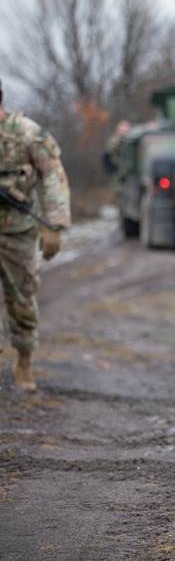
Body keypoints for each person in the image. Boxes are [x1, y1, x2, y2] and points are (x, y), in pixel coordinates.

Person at [0, 77, 72, 392]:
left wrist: (54, 224)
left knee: (21, 298)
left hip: (17, 232)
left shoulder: (28, 134)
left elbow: (53, 176)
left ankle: (24, 361)